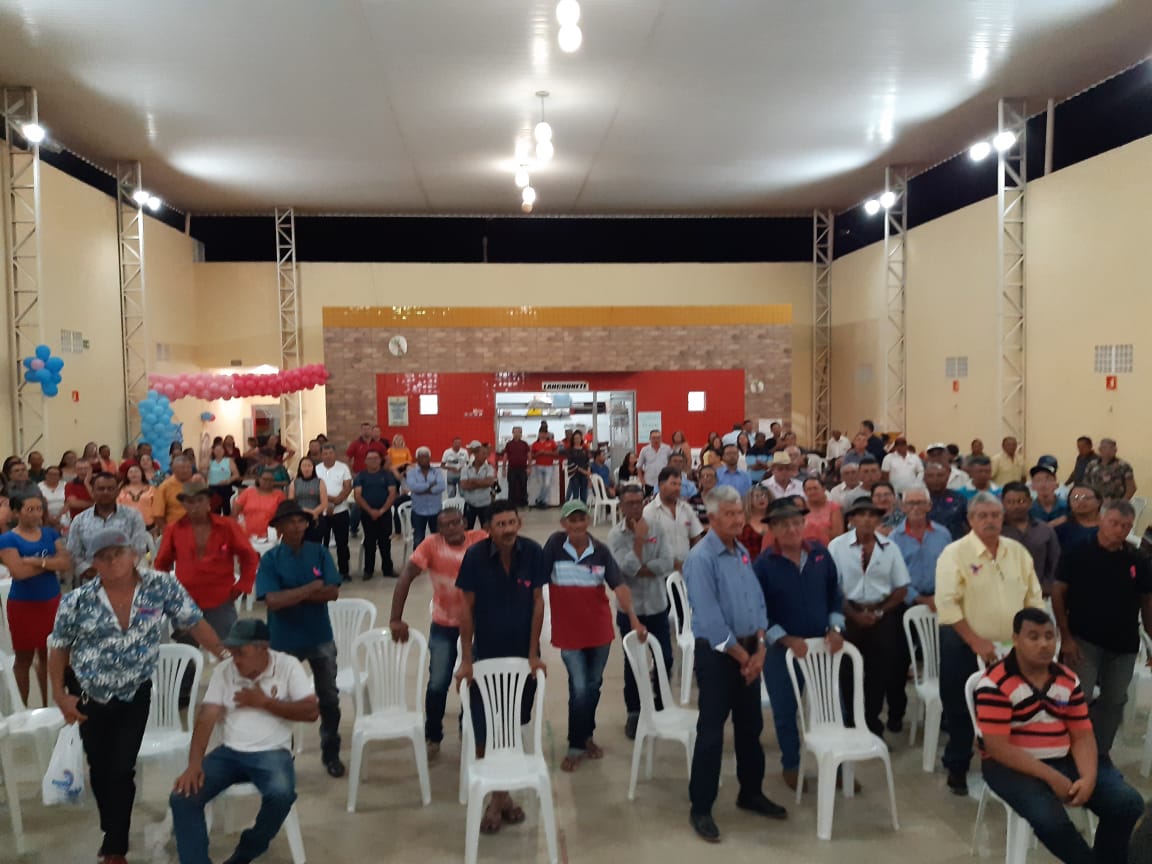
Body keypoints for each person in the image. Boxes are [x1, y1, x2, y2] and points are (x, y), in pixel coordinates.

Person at [48, 529, 227, 864]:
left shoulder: (161, 586)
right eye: (104, 557)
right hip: (88, 694)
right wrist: (60, 695)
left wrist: (225, 655)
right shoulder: (76, 601)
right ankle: (112, 830)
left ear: (134, 555)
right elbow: (58, 647)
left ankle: (115, 846)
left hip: (136, 692)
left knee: (121, 767)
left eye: (118, 553)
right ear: (93, 564)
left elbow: (193, 621)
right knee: (100, 767)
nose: (112, 561)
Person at [975, 608, 1144, 864]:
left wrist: (1088, 778)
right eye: (1033, 637)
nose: (1044, 644)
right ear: (1016, 639)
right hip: (1008, 766)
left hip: (1063, 758)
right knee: (1051, 821)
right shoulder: (994, 683)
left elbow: (1082, 735)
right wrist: (1051, 776)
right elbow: (998, 748)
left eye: (1049, 636)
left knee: (1128, 804)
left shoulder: (1067, 679)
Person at [170, 619, 319, 864]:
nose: (235, 659)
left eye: (241, 652)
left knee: (281, 795)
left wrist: (265, 702)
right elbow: (206, 719)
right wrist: (194, 764)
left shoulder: (287, 666)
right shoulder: (224, 671)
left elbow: (311, 712)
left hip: (272, 752)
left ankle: (244, 854)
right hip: (228, 753)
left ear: (263, 648)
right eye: (232, 651)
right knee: (182, 797)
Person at [684, 486, 786, 842]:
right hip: (718, 655)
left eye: (739, 513)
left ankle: (751, 792)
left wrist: (760, 647)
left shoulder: (740, 551)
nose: (738, 519)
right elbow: (710, 619)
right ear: (712, 518)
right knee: (712, 732)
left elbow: (756, 602)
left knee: (750, 727)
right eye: (729, 514)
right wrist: (744, 657)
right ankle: (701, 807)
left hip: (749, 651)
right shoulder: (701, 559)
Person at [935, 491, 1045, 795]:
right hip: (964, 642)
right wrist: (975, 641)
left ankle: (1006, 767)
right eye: (982, 515)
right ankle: (957, 766)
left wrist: (1032, 637)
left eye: (995, 515)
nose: (990, 521)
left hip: (1012, 647)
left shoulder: (1017, 552)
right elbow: (947, 604)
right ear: (970, 520)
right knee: (961, 708)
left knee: (1011, 708)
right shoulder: (955, 553)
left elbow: (1033, 597)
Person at [454, 499, 548, 836]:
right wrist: (467, 659)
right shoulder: (475, 557)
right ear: (488, 529)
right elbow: (466, 608)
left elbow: (538, 603)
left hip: (523, 658)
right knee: (484, 730)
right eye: (501, 524)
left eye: (512, 522)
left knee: (512, 725)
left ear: (519, 523)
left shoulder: (533, 553)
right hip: (486, 657)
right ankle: (499, 801)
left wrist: (533, 654)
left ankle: (500, 798)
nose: (508, 529)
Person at [543, 500, 646, 771]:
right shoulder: (554, 546)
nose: (577, 525)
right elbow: (536, 582)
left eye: (581, 519)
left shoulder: (600, 551)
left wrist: (634, 619)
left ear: (587, 521)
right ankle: (576, 745)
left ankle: (586, 735)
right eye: (572, 520)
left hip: (599, 631)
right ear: (563, 523)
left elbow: (619, 586)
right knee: (579, 688)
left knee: (593, 685)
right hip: (569, 634)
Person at [754, 497, 845, 788]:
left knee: (832, 707)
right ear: (772, 529)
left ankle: (837, 766)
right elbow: (759, 612)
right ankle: (791, 764)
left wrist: (836, 628)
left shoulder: (820, 554)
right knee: (785, 709)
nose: (791, 529)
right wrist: (786, 638)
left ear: (804, 523)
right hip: (782, 651)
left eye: (796, 522)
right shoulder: (764, 564)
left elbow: (835, 595)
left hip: (822, 646)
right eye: (783, 525)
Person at [1052, 499, 1152, 758]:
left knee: (1115, 700)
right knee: (1079, 697)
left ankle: (1100, 753)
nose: (1119, 530)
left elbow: (1146, 601)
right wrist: (1065, 637)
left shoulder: (1137, 559)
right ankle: (1069, 750)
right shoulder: (1077, 552)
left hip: (1124, 643)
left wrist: (1151, 639)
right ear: (1101, 520)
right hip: (1083, 639)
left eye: (1126, 526)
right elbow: (1058, 593)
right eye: (1114, 523)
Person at [256, 500, 345, 777]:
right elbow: (272, 601)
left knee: (328, 697)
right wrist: (310, 589)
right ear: (279, 528)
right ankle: (283, 755)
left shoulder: (319, 552)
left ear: (307, 524)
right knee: (280, 699)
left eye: (300, 521)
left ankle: (331, 752)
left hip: (319, 635)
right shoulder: (270, 559)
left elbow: (332, 592)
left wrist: (290, 594)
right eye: (289, 522)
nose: (296, 527)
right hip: (283, 640)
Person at [389, 509, 486, 755]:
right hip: (444, 624)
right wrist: (395, 619)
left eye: (456, 523)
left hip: (478, 625)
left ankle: (468, 731)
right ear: (438, 529)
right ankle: (433, 735)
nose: (451, 528)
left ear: (465, 523)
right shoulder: (431, 545)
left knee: (474, 681)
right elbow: (405, 577)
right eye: (445, 525)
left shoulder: (480, 540)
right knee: (438, 683)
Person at [827, 494, 910, 736]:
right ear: (851, 519)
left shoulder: (890, 547)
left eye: (872, 515)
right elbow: (832, 587)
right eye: (861, 514)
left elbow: (901, 587)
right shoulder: (837, 546)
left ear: (878, 520)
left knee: (879, 671)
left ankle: (871, 720)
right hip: (847, 612)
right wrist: (853, 614)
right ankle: (852, 721)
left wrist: (880, 611)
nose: (866, 519)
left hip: (881, 614)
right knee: (847, 670)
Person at [608, 484, 675, 739]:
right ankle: (634, 712)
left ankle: (660, 703)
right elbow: (622, 569)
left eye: (639, 502)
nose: (636, 507)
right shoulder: (615, 535)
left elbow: (666, 563)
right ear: (621, 506)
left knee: (665, 659)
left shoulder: (657, 528)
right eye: (630, 503)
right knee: (633, 663)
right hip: (630, 609)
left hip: (657, 605)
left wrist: (639, 568)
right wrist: (638, 541)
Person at [154, 482, 259, 640]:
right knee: (186, 651)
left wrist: (242, 585)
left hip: (221, 598)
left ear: (208, 501)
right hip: (186, 600)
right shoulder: (173, 529)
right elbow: (161, 563)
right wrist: (168, 593)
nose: (195, 506)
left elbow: (249, 557)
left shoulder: (227, 526)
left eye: (200, 500)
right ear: (183, 504)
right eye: (190, 501)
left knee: (231, 647)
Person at [0, 495, 71, 705]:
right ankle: (22, 707)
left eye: (39, 509)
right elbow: (19, 572)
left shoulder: (50, 533)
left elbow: (66, 563)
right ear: (16, 512)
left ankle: (50, 705)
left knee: (49, 654)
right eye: (29, 509)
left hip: (52, 601)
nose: (36, 514)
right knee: (24, 658)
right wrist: (50, 563)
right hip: (24, 604)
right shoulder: (8, 539)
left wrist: (35, 561)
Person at [67, 471, 150, 581]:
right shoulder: (80, 520)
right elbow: (73, 552)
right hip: (90, 578)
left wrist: (121, 570)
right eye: (101, 489)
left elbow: (138, 548)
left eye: (110, 489)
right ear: (92, 491)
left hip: (126, 578)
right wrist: (88, 570)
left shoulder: (133, 516)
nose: (105, 492)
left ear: (117, 492)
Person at [890, 486, 951, 613]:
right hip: (905, 603)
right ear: (903, 507)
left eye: (920, 503)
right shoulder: (894, 538)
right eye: (911, 503)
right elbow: (893, 575)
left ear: (929, 506)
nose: (916, 507)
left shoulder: (943, 534)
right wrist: (919, 598)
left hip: (941, 600)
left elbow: (950, 569)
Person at [1000, 481, 1061, 597]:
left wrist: (1047, 586)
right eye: (1010, 502)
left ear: (1030, 502)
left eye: (1021, 501)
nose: (1016, 506)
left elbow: (1054, 561)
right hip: (1003, 595)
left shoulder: (1045, 530)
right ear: (1003, 503)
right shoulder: (995, 531)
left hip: (1040, 594)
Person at [644, 466, 704, 568]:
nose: (677, 488)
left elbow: (696, 537)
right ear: (661, 485)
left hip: (686, 568)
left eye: (679, 484)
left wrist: (693, 560)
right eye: (673, 484)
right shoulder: (650, 511)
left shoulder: (686, 508)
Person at [353, 449, 400, 579]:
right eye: (370, 458)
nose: (373, 461)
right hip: (367, 514)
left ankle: (388, 569)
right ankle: (368, 570)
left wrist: (381, 510)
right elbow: (357, 495)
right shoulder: (361, 476)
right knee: (369, 542)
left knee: (385, 542)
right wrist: (370, 510)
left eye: (375, 458)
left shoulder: (387, 475)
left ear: (380, 460)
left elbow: (392, 493)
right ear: (365, 461)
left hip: (384, 514)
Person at [316, 443, 353, 580]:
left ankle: (344, 571)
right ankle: (321, 572)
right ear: (321, 455)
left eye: (330, 453)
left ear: (335, 454)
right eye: (325, 454)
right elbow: (315, 489)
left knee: (342, 543)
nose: (328, 456)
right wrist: (328, 502)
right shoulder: (316, 469)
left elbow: (347, 487)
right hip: (322, 512)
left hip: (341, 510)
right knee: (322, 544)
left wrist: (337, 501)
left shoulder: (343, 468)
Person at [406, 446, 446, 547]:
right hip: (418, 511)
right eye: (421, 457)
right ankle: (419, 557)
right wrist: (431, 485)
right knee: (418, 540)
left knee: (439, 539)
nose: (424, 459)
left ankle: (437, 557)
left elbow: (441, 486)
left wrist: (422, 489)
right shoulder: (411, 473)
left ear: (429, 458)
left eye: (426, 456)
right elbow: (413, 487)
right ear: (417, 459)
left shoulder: (437, 471)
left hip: (436, 511)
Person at [234, 469, 287, 540]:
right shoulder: (248, 492)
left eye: (271, 480)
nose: (267, 482)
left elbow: (284, 517)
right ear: (258, 479)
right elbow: (235, 512)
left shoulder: (279, 495)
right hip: (246, 535)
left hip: (270, 536)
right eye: (265, 479)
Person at [924, 461, 969, 540]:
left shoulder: (959, 499)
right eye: (931, 476)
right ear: (924, 479)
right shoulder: (918, 500)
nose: (935, 479)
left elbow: (970, 524)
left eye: (940, 475)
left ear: (947, 477)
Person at [288, 456, 328, 543]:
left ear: (313, 467)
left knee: (315, 545)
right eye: (304, 466)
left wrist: (315, 513)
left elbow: (324, 503)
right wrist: (308, 512)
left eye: (309, 466)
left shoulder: (320, 482)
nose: (307, 468)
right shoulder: (294, 483)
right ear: (300, 468)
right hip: (299, 518)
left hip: (316, 518)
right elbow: (291, 503)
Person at [1083, 437, 1137, 502]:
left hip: (1116, 502)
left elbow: (1131, 488)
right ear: (1100, 449)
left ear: (1115, 450)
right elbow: (1086, 485)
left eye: (1112, 449)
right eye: (1105, 448)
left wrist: (1122, 503)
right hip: (1095, 503)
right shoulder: (1092, 465)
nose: (1108, 451)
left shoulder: (1123, 466)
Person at [460, 440, 496, 529]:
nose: (485, 456)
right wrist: (483, 483)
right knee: (467, 529)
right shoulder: (465, 469)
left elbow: (490, 482)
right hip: (470, 504)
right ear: (475, 454)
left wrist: (472, 481)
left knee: (487, 529)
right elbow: (464, 485)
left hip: (485, 504)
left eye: (486, 454)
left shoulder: (489, 468)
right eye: (483, 454)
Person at [154, 456, 196, 531]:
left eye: (188, 468)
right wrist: (168, 531)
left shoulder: (197, 484)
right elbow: (158, 515)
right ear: (173, 470)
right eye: (182, 468)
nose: (186, 470)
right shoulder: (164, 487)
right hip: (174, 530)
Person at [1056, 484, 1101, 551]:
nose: (1080, 501)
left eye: (1086, 498)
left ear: (1098, 502)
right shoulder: (1059, 526)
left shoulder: (1108, 524)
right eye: (1075, 498)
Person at [802, 476, 842, 545]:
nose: (812, 492)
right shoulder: (801, 508)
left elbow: (838, 534)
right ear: (805, 492)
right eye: (809, 489)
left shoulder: (834, 508)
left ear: (823, 489)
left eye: (815, 488)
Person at [737, 485, 774, 559]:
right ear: (750, 500)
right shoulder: (743, 519)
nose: (761, 499)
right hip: (747, 560)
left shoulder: (776, 519)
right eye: (757, 496)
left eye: (764, 495)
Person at [206, 440, 241, 516]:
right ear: (213, 451)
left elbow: (236, 474)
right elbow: (202, 469)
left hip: (225, 487)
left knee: (226, 509)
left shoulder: (228, 461)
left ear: (223, 451)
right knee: (214, 510)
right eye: (216, 450)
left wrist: (228, 480)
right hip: (213, 488)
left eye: (220, 449)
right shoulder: (210, 462)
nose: (219, 451)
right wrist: (208, 455)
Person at [1029, 457, 1068, 524]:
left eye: (1048, 480)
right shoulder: (1028, 510)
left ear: (1056, 485)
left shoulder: (1067, 508)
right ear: (1032, 486)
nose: (1043, 484)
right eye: (1038, 480)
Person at [117, 464, 156, 531]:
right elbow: (117, 508)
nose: (133, 474)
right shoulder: (121, 490)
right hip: (126, 527)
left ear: (142, 474)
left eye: (136, 471)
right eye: (131, 472)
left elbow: (157, 508)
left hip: (149, 527)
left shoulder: (151, 489)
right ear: (127, 475)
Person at [500, 426, 531, 508]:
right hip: (512, 469)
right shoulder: (509, 444)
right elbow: (505, 456)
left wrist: (529, 467)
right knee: (511, 487)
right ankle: (511, 504)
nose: (517, 434)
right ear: (512, 433)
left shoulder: (524, 444)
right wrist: (503, 468)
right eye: (515, 432)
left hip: (523, 469)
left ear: (521, 434)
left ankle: (524, 503)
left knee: (523, 486)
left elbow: (529, 456)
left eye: (518, 432)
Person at [637, 429, 673, 497]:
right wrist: (641, 480)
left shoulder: (667, 449)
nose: (656, 440)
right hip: (649, 482)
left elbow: (672, 463)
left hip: (664, 481)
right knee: (649, 500)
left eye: (658, 438)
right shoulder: (644, 450)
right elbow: (639, 466)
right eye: (653, 438)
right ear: (650, 439)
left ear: (661, 438)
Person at [529, 431, 559, 508]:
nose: (542, 435)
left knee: (547, 484)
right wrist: (539, 453)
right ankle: (543, 502)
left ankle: (539, 499)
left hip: (549, 466)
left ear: (546, 434)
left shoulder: (552, 442)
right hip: (538, 466)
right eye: (541, 433)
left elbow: (556, 453)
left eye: (544, 433)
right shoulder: (535, 444)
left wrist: (546, 452)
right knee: (541, 485)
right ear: (539, 434)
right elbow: (531, 455)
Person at [562, 429, 592, 503]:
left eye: (578, 438)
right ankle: (575, 509)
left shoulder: (585, 450)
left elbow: (588, 461)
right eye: (575, 438)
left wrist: (588, 472)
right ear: (573, 439)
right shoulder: (570, 450)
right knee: (575, 495)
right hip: (574, 475)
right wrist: (582, 471)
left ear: (581, 439)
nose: (577, 440)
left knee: (584, 494)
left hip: (584, 475)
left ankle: (583, 508)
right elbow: (571, 463)